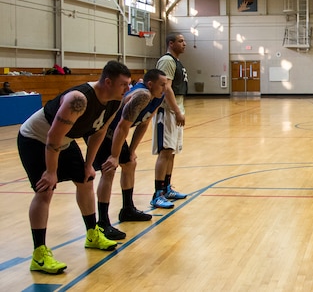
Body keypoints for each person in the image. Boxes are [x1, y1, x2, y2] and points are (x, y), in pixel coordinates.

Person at [17, 60, 131, 274]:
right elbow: (52, 136)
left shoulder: (115, 101)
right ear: (108, 82)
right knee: (45, 190)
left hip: (64, 141)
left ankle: (92, 234)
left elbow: (98, 132)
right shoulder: (78, 99)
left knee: (86, 180)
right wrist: (51, 172)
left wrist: (89, 165)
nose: (128, 89)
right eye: (124, 84)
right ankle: (39, 254)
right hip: (36, 139)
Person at [91, 69, 167, 240]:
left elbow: (144, 123)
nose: (165, 87)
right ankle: (102, 222)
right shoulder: (142, 95)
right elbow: (122, 127)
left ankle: (127, 209)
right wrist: (114, 155)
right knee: (109, 169)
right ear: (150, 84)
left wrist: (131, 150)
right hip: (102, 129)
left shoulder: (159, 96)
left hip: (116, 131)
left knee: (130, 163)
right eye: (162, 84)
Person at [151, 33, 189, 208]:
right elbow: (166, 88)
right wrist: (176, 111)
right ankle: (158, 193)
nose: (184, 44)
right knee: (165, 151)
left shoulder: (176, 61)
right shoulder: (167, 61)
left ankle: (167, 188)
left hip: (176, 109)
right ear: (171, 43)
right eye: (181, 41)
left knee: (172, 151)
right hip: (167, 112)